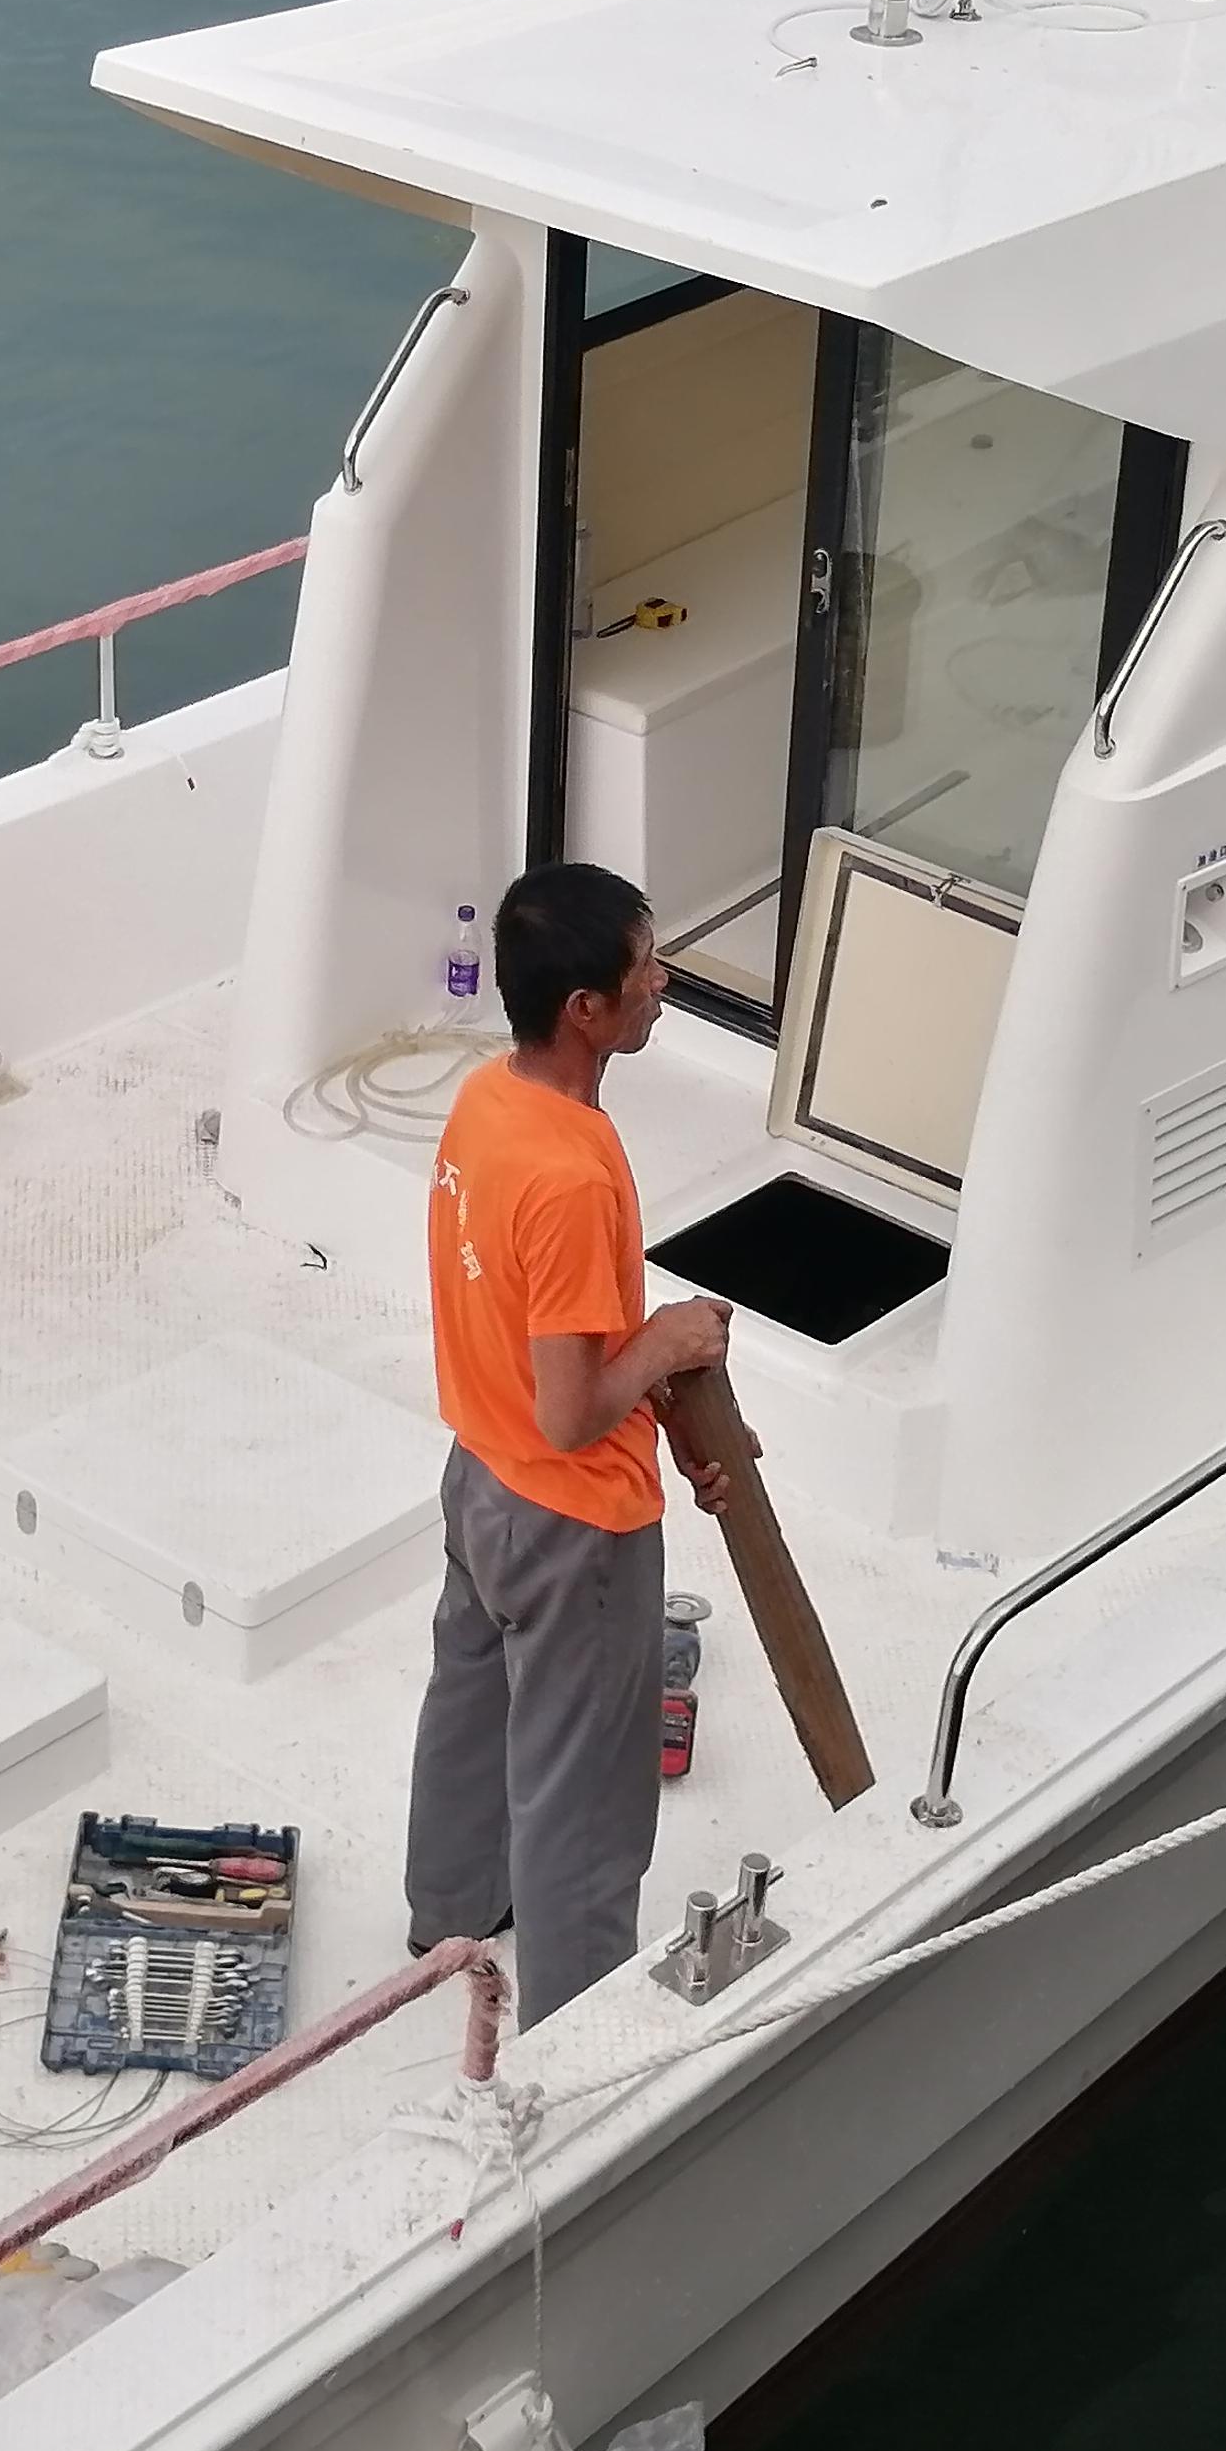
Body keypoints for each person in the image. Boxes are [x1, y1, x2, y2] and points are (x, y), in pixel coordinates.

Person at [407, 862, 746, 2026]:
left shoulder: (485, 1105)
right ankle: (579, 2031)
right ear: (584, 1011)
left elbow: (526, 1345)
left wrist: (641, 1373)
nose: (661, 982)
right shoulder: (567, 1178)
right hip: (572, 1527)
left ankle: (447, 1910)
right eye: (641, 968)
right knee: (584, 1797)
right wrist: (665, 1343)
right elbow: (569, 1411)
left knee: (471, 1699)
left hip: (478, 1487)